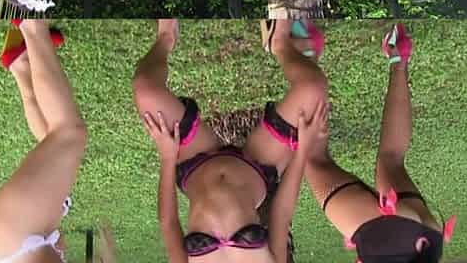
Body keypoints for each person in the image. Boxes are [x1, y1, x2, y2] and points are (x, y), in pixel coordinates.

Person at [133, 19, 328, 262]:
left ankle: (166, 37)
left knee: (145, 89)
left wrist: (167, 157)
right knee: (313, 88)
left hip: (194, 166)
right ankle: (279, 43)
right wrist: (303, 149)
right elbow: (281, 213)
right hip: (258, 168)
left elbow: (168, 222)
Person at [304, 23, 457, 263]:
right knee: (314, 160)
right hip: (389, 244)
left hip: (429, 242)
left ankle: (398, 55)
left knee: (392, 159)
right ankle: (306, 49)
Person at [0, 20, 88, 263]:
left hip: (13, 235)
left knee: (69, 134)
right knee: (53, 145)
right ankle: (21, 63)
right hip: (8, 242)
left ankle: (31, 25)